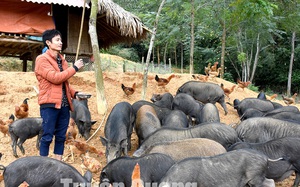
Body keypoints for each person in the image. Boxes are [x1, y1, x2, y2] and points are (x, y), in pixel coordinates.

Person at [35, 29, 84, 160]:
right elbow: (55, 78)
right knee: (47, 136)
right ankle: (43, 165)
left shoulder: (62, 61)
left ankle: (58, 165)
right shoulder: (42, 60)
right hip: (49, 104)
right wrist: (74, 68)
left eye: (61, 40)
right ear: (48, 43)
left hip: (64, 105)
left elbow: (64, 84)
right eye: (57, 40)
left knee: (61, 136)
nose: (60, 42)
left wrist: (75, 94)